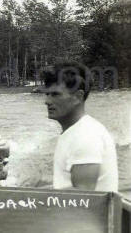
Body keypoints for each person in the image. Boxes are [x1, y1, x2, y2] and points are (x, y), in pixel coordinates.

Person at [42, 61, 118, 192]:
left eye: (55, 94)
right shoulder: (76, 131)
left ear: (78, 96)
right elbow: (66, 188)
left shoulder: (86, 136)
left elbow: (83, 196)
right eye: (47, 94)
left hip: (86, 211)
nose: (47, 101)